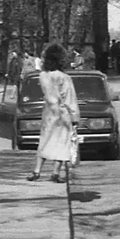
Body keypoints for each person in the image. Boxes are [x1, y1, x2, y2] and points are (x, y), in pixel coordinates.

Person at [28, 43, 80, 183]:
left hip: (49, 112)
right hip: (62, 113)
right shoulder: (64, 77)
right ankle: (55, 172)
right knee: (62, 143)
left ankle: (37, 170)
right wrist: (75, 117)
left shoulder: (42, 76)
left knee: (44, 140)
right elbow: (70, 98)